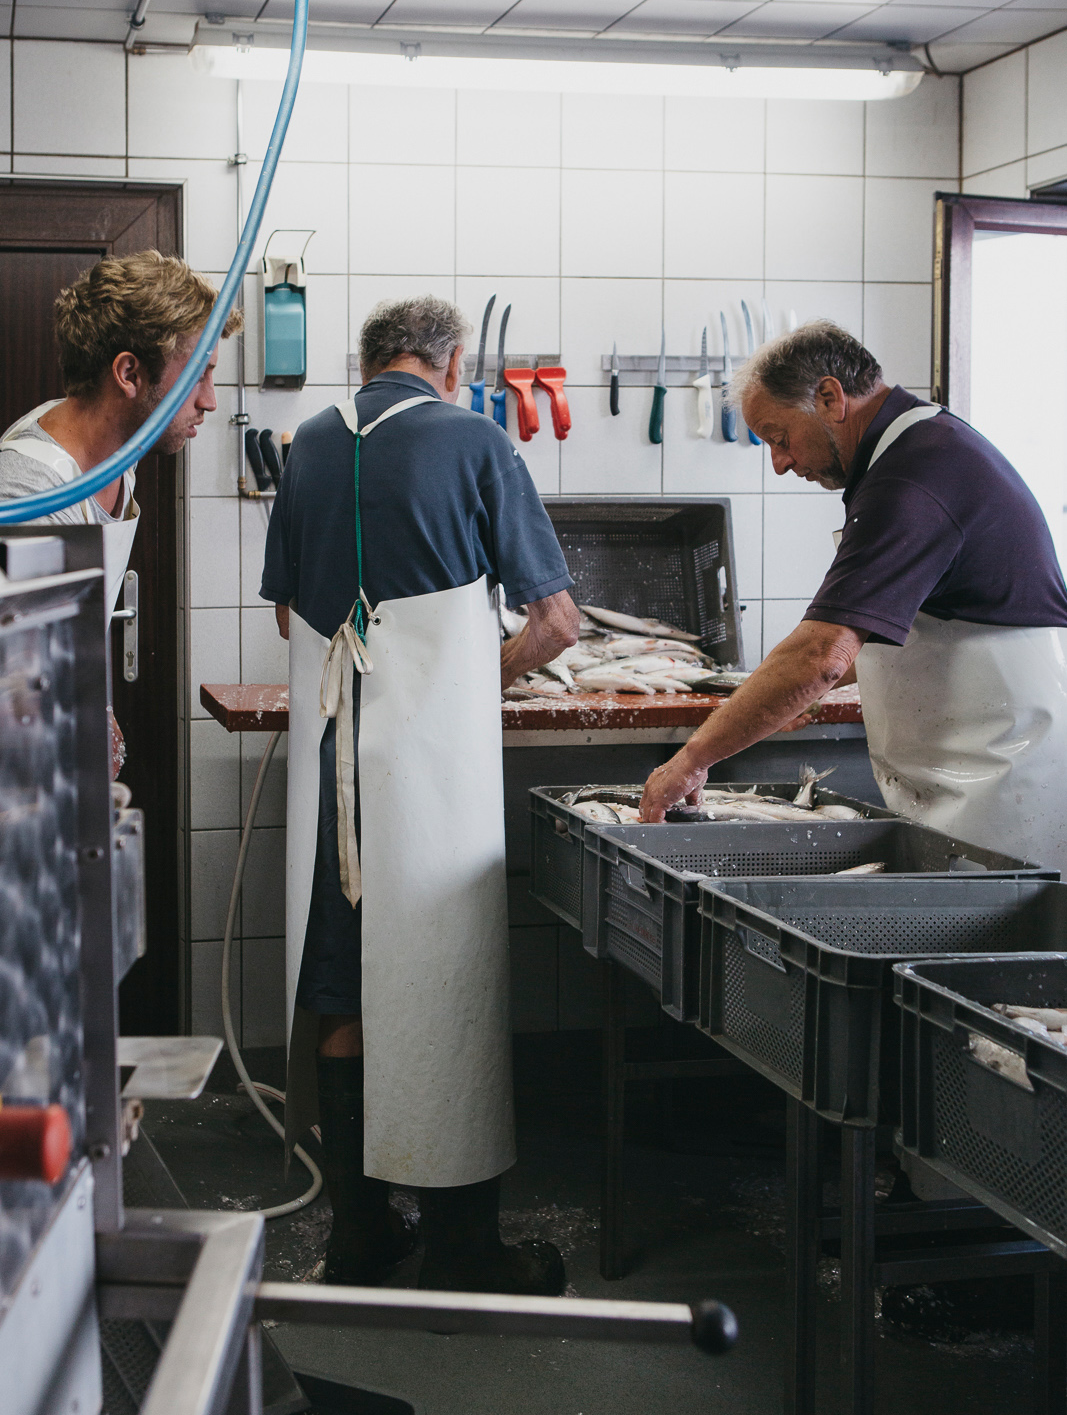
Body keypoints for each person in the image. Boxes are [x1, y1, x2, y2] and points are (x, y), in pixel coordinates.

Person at [261, 295, 579, 1293]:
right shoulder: (476, 440)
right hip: (433, 767)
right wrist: (459, 680)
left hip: (338, 759)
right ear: (448, 365)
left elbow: (289, 617)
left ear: (369, 366)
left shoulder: (306, 444)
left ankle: (358, 1234)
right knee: (443, 967)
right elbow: (558, 622)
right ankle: (461, 1245)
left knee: (345, 976)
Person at [640, 319, 1067, 879]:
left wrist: (691, 761)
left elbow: (823, 654)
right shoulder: (917, 452)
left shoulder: (915, 477)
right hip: (961, 774)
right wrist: (780, 696)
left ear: (829, 397)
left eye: (778, 436)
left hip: (1004, 786)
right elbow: (901, 627)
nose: (780, 462)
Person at [0, 250, 240, 775]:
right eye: (199, 376)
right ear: (129, 373)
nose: (211, 401)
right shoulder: (29, 494)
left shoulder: (117, 451)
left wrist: (97, 705)